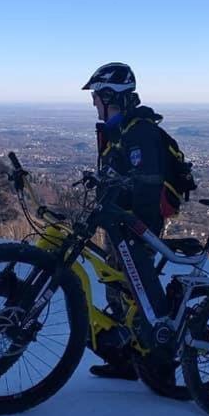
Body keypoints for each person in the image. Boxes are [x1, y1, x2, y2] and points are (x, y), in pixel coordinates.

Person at [83, 62, 172, 380]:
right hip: (118, 223)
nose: (94, 104)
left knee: (138, 292)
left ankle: (160, 363)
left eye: (96, 97)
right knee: (117, 289)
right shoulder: (119, 130)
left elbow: (146, 183)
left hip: (135, 226)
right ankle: (127, 359)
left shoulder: (140, 131)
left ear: (111, 96)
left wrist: (132, 225)